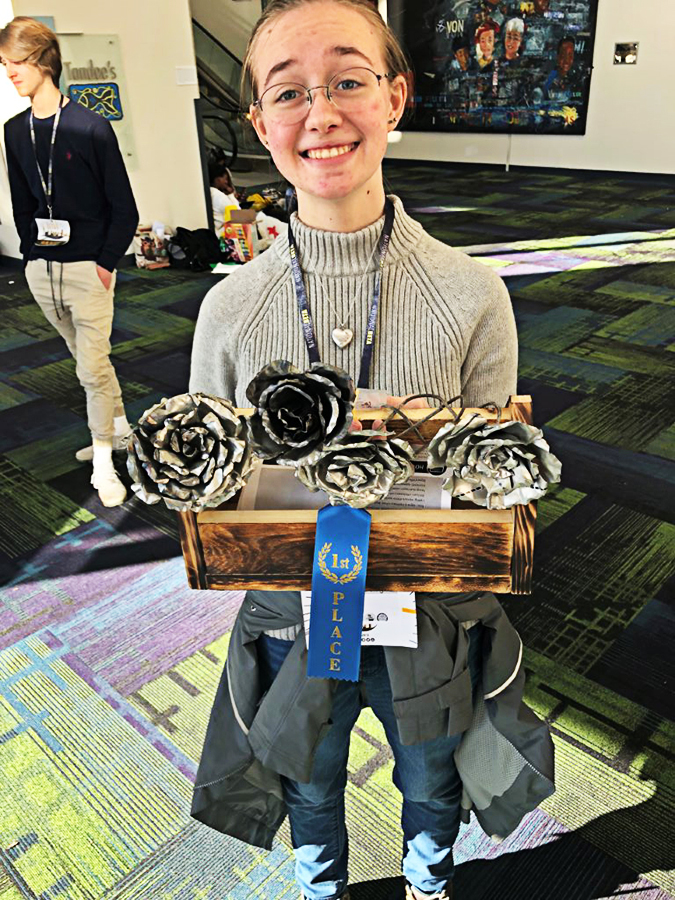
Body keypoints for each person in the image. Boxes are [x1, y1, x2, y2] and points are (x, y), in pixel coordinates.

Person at [189, 2, 553, 899]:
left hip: (425, 608)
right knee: (307, 776)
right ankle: (323, 887)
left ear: (394, 97)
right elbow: (210, 486)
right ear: (259, 123)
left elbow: (490, 483)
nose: (320, 113)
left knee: (429, 773)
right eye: (288, 92)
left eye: (349, 80)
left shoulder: (470, 296)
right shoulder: (228, 312)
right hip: (289, 610)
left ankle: (427, 882)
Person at [1, 17, 138, 507]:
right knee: (87, 364)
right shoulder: (13, 131)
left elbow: (125, 208)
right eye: (5, 65)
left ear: (41, 61)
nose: (10, 74)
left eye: (15, 63)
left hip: (89, 269)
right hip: (42, 270)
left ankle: (104, 464)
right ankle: (119, 430)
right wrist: (31, 256)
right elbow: (21, 202)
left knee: (92, 368)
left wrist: (105, 264)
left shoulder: (90, 127)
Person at [208, 151, 240, 233]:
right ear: (217, 179)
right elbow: (238, 214)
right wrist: (231, 195)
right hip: (224, 234)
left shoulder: (208, 192)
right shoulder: (216, 195)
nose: (226, 182)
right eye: (224, 179)